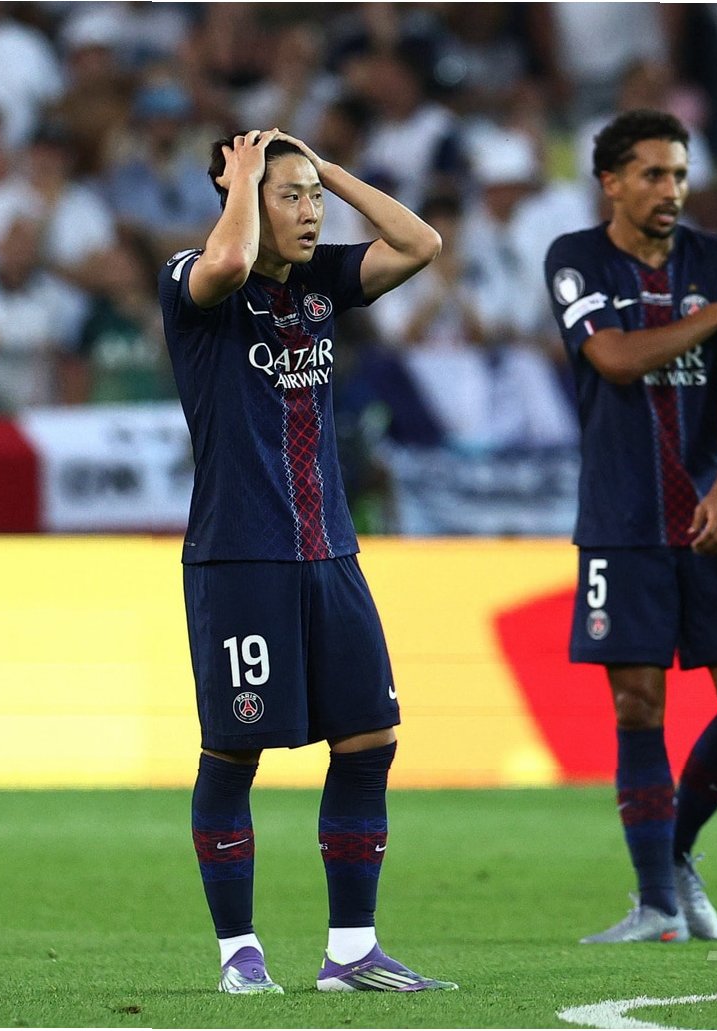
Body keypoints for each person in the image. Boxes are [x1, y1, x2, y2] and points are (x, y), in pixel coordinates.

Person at [158, 128, 456, 994]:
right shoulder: (194, 280)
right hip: (239, 557)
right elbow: (229, 260)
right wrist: (248, 180)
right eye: (291, 197)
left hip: (330, 549)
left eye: (314, 197)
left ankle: (352, 952)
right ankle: (239, 954)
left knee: (369, 738)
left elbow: (420, 243)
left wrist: (326, 170)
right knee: (233, 753)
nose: (312, 212)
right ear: (242, 198)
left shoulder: (321, 281)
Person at [543, 109, 717, 944]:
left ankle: (673, 853)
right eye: (652, 174)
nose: (670, 189)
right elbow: (613, 358)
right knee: (638, 703)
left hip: (713, 514)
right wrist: (716, 319)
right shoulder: (576, 258)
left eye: (679, 173)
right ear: (611, 181)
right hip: (624, 516)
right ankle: (656, 905)